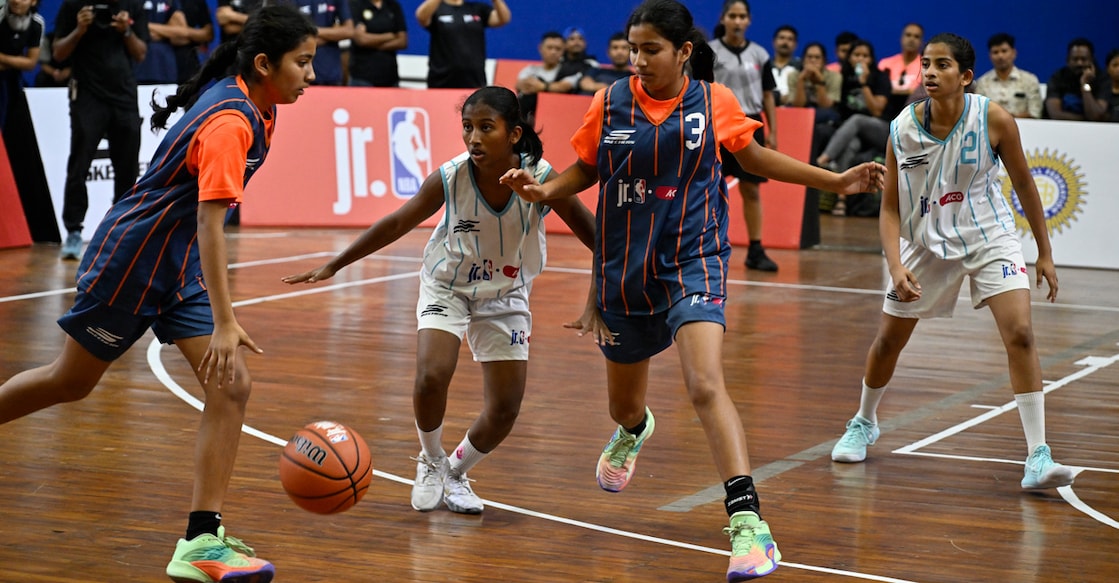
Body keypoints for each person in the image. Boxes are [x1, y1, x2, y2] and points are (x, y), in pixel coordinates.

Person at [499, 1, 884, 579]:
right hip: (625, 270)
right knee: (623, 404)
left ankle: (749, 523)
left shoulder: (714, 101)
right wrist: (542, 192)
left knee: (705, 384)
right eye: (633, 48)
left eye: (651, 49)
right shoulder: (611, 100)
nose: (639, 59)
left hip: (694, 260)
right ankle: (634, 430)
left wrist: (834, 179)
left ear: (682, 52)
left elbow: (756, 158)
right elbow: (585, 170)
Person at [0, 5, 317, 582]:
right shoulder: (231, 122)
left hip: (173, 265)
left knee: (231, 384)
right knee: (69, 382)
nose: (312, 75)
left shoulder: (259, 103)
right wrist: (226, 320)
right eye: (304, 62)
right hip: (132, 261)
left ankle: (200, 542)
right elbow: (209, 224)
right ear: (266, 64)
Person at [283, 86, 596, 516]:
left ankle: (454, 472)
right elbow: (397, 222)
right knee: (432, 375)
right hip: (447, 285)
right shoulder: (451, 176)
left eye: (487, 128)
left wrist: (596, 300)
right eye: (468, 127)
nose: (473, 138)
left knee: (505, 409)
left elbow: (597, 238)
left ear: (514, 134)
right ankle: (430, 460)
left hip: (506, 294)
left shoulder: (541, 178)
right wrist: (335, 264)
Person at [828, 33, 1076, 495]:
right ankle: (864, 422)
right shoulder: (901, 127)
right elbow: (888, 208)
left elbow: (1024, 184)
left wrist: (1044, 251)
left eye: (942, 65)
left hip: (989, 236)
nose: (929, 72)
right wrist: (896, 265)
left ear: (965, 77)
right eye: (926, 64)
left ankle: (1038, 455)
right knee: (887, 342)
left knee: (1020, 333)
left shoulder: (993, 119)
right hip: (926, 241)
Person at [53, 0, 148, 260]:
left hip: (124, 95)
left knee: (127, 167)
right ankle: (73, 230)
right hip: (87, 95)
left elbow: (140, 53)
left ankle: (121, 228)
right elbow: (58, 54)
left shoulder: (132, 5)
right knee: (79, 164)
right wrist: (79, 29)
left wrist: (126, 31)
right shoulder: (74, 5)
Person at [710, 0, 780, 272]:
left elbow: (767, 95)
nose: (738, 21)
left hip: (750, 123)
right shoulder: (710, 52)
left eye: (742, 17)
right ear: (724, 18)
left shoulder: (760, 54)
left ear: (748, 21)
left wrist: (772, 131)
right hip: (716, 125)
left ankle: (755, 249)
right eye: (732, 16)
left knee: (751, 190)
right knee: (710, 187)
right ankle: (708, 245)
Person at [416, 0, 510, 89]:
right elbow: (421, 17)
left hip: (474, 78)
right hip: (441, 79)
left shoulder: (477, 9)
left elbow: (503, 19)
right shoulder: (436, 9)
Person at [972, 32, 1042, 119]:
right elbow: (978, 114)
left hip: (1025, 128)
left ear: (1014, 53)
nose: (1000, 56)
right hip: (990, 129)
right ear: (990, 56)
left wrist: (1009, 119)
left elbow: (1035, 113)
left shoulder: (1029, 80)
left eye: (1004, 51)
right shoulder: (982, 83)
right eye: (995, 52)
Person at [515, 31, 579, 123]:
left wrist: (542, 86)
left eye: (558, 49)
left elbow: (565, 86)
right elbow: (519, 85)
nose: (553, 52)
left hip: (558, 118)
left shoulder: (569, 71)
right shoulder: (530, 70)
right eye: (549, 48)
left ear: (563, 50)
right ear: (540, 48)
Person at [0, 0, 42, 129]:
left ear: (33, 2)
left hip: (12, 80)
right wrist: (17, 60)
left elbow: (30, 63)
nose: (17, 1)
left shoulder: (36, 23)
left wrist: (3, 59)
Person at [347, 0, 407, 87]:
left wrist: (372, 43)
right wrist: (389, 36)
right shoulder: (355, 4)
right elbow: (361, 40)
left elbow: (402, 41)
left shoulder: (393, 6)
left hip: (390, 78)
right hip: (362, 78)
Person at [1044, 38, 1106, 121]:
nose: (1079, 63)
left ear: (1092, 60)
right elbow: (1055, 114)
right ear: (1068, 60)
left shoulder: (1103, 79)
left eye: (1084, 59)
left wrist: (1085, 85)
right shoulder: (1058, 78)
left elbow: (1096, 116)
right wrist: (1085, 120)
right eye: (1075, 59)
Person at [295, 0, 353, 86]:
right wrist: (333, 34)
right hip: (301, 74)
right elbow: (292, 36)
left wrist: (311, 31)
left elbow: (349, 31)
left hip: (331, 72)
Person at [877, 22, 924, 115]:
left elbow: (922, 93)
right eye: (908, 35)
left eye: (916, 36)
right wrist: (908, 91)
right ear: (901, 38)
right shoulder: (885, 64)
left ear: (922, 42)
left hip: (913, 112)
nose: (911, 39)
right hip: (886, 112)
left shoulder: (926, 65)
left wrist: (892, 91)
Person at [133, 0, 182, 84]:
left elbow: (180, 31)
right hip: (136, 68)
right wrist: (165, 30)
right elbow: (127, 26)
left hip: (165, 68)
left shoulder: (170, 1)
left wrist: (143, 26)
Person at [576, 31, 633, 95]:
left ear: (631, 52)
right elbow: (585, 84)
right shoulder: (596, 71)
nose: (619, 52)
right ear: (608, 52)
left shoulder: (634, 79)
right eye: (615, 48)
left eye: (624, 48)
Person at [768, 24, 800, 105]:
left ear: (796, 45)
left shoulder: (801, 67)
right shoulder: (765, 65)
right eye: (782, 38)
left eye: (790, 39)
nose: (785, 42)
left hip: (793, 110)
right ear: (774, 42)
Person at [1099, 49, 1119, 121]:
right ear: (1107, 68)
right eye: (1115, 65)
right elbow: (1099, 114)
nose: (1118, 69)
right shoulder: (1102, 89)